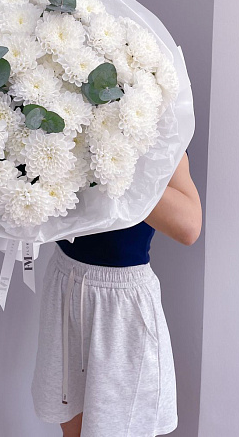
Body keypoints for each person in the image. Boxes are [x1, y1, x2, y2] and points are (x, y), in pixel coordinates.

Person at [31, 150, 201, 437]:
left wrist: (109, 160)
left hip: (122, 306)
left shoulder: (159, 129)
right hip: (66, 280)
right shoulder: (60, 113)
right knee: (70, 426)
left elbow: (188, 227)